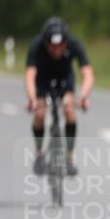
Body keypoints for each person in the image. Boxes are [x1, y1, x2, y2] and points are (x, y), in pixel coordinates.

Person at [25, 17, 94, 176]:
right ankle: (39, 153)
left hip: (65, 79)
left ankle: (69, 158)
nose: (56, 50)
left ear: (65, 42)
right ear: (46, 42)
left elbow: (88, 74)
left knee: (69, 110)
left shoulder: (74, 44)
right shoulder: (36, 46)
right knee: (40, 114)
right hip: (42, 80)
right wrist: (32, 99)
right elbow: (30, 75)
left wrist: (83, 96)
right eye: (52, 46)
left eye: (60, 45)